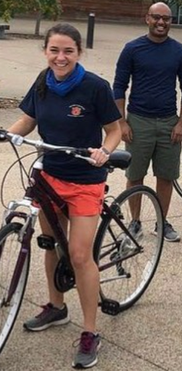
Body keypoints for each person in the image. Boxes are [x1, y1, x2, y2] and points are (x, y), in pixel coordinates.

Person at [2, 23, 121, 369]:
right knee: (50, 242)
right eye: (54, 50)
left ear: (79, 52)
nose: (60, 57)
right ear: (45, 52)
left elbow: (114, 129)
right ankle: (56, 306)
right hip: (50, 174)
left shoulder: (95, 87)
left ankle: (89, 331)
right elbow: (27, 120)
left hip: (85, 178)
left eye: (68, 50)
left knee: (81, 255)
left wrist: (105, 150)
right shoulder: (42, 83)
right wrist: (7, 134)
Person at [113, 2, 182, 242]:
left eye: (166, 19)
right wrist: (122, 123)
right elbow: (118, 86)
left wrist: (181, 123)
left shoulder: (179, 51)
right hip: (138, 122)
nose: (161, 22)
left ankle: (161, 222)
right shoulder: (132, 49)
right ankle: (135, 221)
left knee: (166, 175)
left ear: (171, 21)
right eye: (156, 18)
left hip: (169, 123)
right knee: (135, 174)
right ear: (147, 19)